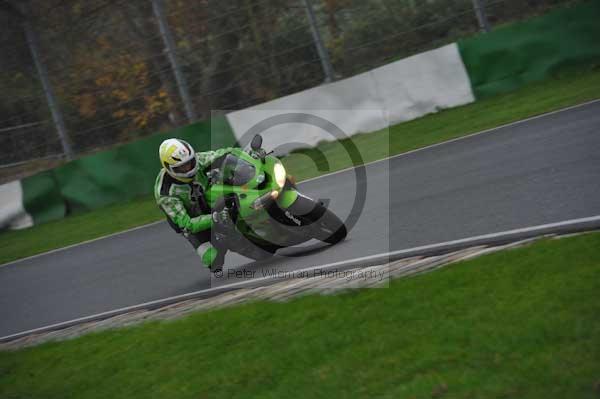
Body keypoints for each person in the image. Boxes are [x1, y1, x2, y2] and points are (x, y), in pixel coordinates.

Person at [154, 138, 232, 273]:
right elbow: (187, 224)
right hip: (193, 223)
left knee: (223, 190)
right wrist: (215, 218)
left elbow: (227, 153)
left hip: (208, 202)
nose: (187, 168)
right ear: (168, 167)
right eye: (181, 167)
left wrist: (248, 156)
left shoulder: (199, 159)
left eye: (190, 163)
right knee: (213, 261)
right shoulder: (165, 192)